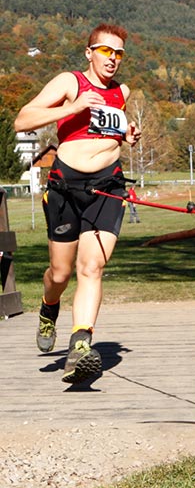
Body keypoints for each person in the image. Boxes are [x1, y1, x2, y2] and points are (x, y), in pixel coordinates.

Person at [14, 23, 141, 384]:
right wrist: (73, 106)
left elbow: (107, 130)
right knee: (60, 273)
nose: (112, 59)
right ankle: (49, 306)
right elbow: (23, 120)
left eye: (118, 53)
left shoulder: (122, 91)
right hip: (65, 188)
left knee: (92, 267)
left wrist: (128, 134)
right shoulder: (70, 82)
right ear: (89, 53)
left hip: (107, 187)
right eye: (105, 51)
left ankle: (80, 344)